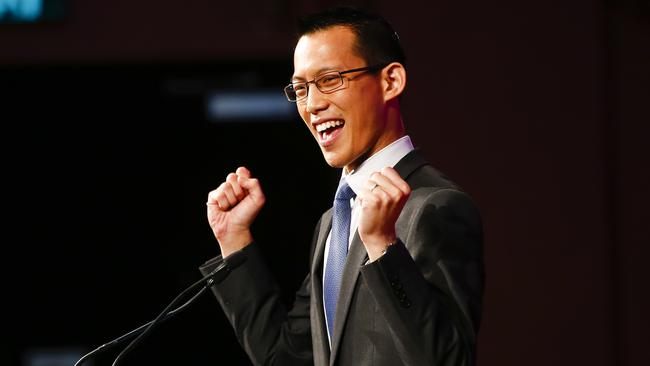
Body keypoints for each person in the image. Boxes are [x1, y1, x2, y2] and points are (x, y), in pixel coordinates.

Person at [199, 6, 484, 366]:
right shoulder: (333, 222)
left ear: (390, 81)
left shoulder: (437, 206)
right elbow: (283, 357)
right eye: (301, 88)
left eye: (330, 79)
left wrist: (383, 248)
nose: (313, 104)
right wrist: (234, 239)